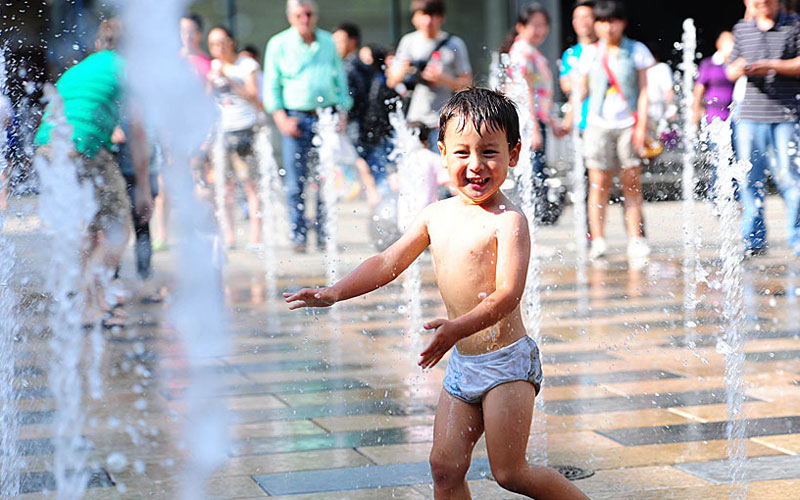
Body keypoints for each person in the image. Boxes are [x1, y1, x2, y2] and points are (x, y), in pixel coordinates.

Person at [285, 88, 589, 500]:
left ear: (514, 154)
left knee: (510, 472)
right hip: (464, 364)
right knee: (444, 468)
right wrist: (335, 292)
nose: (476, 165)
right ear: (443, 154)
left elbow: (508, 295)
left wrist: (455, 328)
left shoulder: (508, 221)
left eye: (490, 152)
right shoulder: (436, 215)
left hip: (506, 364)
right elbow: (387, 261)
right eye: (462, 153)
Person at [34, 18, 152, 325]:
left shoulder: (79, 69)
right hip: (82, 146)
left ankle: (90, 302)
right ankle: (86, 304)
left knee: (87, 227)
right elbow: (138, 133)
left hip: (46, 146)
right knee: (117, 231)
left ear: (98, 44)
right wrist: (143, 188)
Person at [567, 0, 654, 269]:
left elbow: (644, 90)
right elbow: (581, 90)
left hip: (628, 124)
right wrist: (569, 119)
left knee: (631, 184)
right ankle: (599, 240)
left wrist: (642, 126)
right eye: (602, 21)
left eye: (612, 21)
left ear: (622, 22)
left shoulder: (636, 50)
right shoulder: (589, 53)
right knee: (598, 184)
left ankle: (635, 239)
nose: (607, 26)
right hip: (597, 125)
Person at [264, 0, 352, 253]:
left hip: (326, 116)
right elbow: (271, 84)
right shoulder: (278, 44)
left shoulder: (327, 42)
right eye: (299, 14)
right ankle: (298, 235)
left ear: (315, 14)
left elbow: (340, 78)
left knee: (327, 179)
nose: (304, 18)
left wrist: (343, 110)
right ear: (290, 16)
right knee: (295, 182)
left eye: (308, 13)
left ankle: (325, 234)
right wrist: (280, 117)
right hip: (295, 117)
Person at [726, 0, 800, 257]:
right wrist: (737, 69)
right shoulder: (742, 28)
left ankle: (797, 238)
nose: (762, 3)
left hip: (787, 115)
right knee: (748, 179)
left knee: (792, 178)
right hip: (750, 116)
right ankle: (752, 240)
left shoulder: (794, 25)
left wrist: (772, 65)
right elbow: (731, 69)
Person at [506, 2, 567, 225]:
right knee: (531, 173)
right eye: (535, 25)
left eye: (544, 25)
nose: (540, 31)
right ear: (521, 27)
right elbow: (526, 92)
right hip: (527, 122)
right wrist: (533, 128)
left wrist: (551, 122)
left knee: (536, 172)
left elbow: (542, 95)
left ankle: (531, 226)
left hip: (536, 120)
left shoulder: (532, 52)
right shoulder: (522, 51)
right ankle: (528, 226)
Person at [387, 0, 472, 150]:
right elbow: (392, 81)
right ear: (414, 18)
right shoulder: (408, 42)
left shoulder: (454, 44)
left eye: (433, 15)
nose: (428, 21)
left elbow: (468, 85)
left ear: (442, 18)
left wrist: (443, 79)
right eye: (424, 15)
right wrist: (406, 70)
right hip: (414, 120)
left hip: (443, 121)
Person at [207, 26, 263, 250]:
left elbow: (253, 96)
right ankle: (229, 237)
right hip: (221, 132)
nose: (218, 48)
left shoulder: (246, 65)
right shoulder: (213, 66)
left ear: (231, 42)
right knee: (224, 187)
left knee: (250, 185)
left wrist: (228, 79)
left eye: (222, 42)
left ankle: (255, 238)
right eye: (213, 44)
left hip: (244, 130)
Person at [560, 0, 596, 134]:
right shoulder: (570, 54)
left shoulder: (603, 50)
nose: (582, 21)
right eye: (578, 17)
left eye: (587, 17)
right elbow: (566, 86)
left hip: (603, 122)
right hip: (580, 124)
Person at [180, 13, 212, 79]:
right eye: (184, 31)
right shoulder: (170, 60)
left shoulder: (208, 64)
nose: (187, 36)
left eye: (191, 32)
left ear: (200, 34)